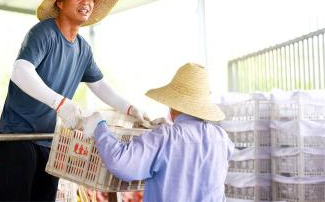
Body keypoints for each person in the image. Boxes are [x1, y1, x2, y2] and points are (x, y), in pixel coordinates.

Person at [0, 0, 149, 202]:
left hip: (50, 140)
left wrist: (130, 109)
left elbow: (100, 86)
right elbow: (20, 71)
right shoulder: (44, 33)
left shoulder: (83, 49)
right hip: (18, 137)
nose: (86, 2)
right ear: (60, 3)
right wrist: (61, 104)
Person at [82, 63, 235, 202]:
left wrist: (99, 126)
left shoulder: (165, 137)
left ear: (172, 104)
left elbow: (119, 161)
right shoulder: (221, 137)